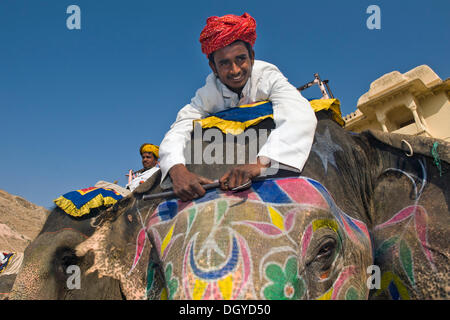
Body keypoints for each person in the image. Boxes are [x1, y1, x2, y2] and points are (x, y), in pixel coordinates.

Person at [159, 13, 317, 202]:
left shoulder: (269, 77)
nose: (234, 70)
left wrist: (260, 164)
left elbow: (298, 113)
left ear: (252, 57)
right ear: (213, 67)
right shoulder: (207, 94)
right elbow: (179, 128)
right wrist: (177, 170)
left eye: (240, 59)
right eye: (224, 63)